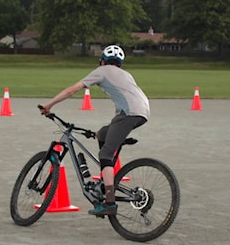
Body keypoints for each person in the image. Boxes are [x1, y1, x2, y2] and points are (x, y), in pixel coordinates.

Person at [39, 44, 150, 217]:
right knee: (103, 134)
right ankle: (105, 183)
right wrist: (96, 134)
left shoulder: (102, 71)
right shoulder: (126, 74)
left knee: (105, 155)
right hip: (141, 113)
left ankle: (110, 202)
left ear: (102, 61)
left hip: (129, 114)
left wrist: (49, 105)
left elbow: (72, 89)